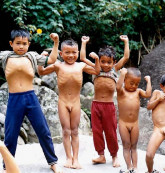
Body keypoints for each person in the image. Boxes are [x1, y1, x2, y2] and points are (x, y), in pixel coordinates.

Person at [0, 29, 62, 173]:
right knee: (10, 135)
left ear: (29, 44)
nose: (21, 46)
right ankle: (7, 165)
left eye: (24, 43)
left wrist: (56, 42)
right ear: (11, 43)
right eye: (18, 43)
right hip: (14, 99)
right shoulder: (5, 56)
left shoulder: (32, 56)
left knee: (43, 130)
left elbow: (51, 60)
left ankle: (53, 162)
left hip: (30, 97)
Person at [38, 39, 100, 169]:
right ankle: (68, 158)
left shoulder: (80, 66)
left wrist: (96, 59)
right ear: (61, 53)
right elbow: (42, 72)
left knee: (75, 131)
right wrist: (42, 59)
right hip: (63, 102)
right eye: (67, 52)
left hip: (76, 103)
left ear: (77, 53)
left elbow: (96, 71)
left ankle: (76, 159)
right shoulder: (58, 65)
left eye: (73, 52)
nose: (71, 55)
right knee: (66, 131)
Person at [80, 35, 129, 167]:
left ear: (113, 62)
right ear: (99, 60)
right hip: (96, 105)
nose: (106, 65)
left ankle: (114, 156)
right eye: (103, 61)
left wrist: (126, 42)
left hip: (109, 106)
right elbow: (83, 58)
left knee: (110, 131)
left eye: (109, 62)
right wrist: (84, 43)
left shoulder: (115, 70)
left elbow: (126, 57)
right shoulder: (96, 69)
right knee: (96, 130)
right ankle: (101, 155)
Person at [116, 67, 152, 173]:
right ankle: (129, 167)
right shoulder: (121, 91)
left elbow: (148, 94)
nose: (134, 86)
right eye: (131, 83)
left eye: (137, 84)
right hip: (123, 123)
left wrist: (149, 81)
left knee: (134, 146)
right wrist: (122, 74)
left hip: (134, 124)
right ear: (125, 80)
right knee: (126, 146)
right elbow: (118, 87)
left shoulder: (138, 92)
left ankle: (135, 167)